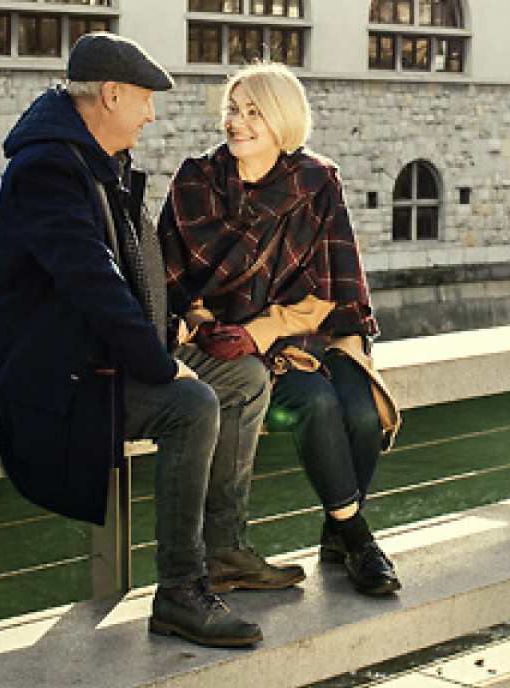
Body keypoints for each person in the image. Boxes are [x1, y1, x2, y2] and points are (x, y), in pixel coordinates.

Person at [0, 33, 300, 651]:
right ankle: (180, 591)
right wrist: (159, 363)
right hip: (56, 374)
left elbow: (134, 268)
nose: (151, 115)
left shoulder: (97, 159)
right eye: (145, 100)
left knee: (246, 378)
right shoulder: (48, 168)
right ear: (112, 94)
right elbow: (90, 279)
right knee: (192, 403)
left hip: (102, 355)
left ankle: (225, 549)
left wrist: (177, 323)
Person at [159, 63, 404, 597]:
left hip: (305, 330)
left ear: (283, 121)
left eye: (253, 113)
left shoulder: (317, 181)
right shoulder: (194, 181)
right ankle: (358, 538)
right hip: (226, 348)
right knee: (315, 404)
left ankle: (337, 532)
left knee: (362, 412)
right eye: (232, 109)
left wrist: (265, 328)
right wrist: (207, 328)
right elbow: (172, 283)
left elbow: (332, 285)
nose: (236, 123)